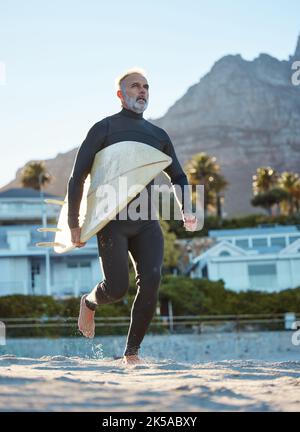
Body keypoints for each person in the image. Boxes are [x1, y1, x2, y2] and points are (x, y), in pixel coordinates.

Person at [67, 68, 198, 365]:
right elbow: (77, 177)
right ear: (120, 94)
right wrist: (74, 223)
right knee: (115, 288)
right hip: (111, 222)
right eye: (135, 86)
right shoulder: (104, 129)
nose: (142, 91)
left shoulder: (157, 135)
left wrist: (186, 209)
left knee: (151, 280)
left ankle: (132, 353)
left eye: (146, 87)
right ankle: (88, 302)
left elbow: (178, 175)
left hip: (146, 221)